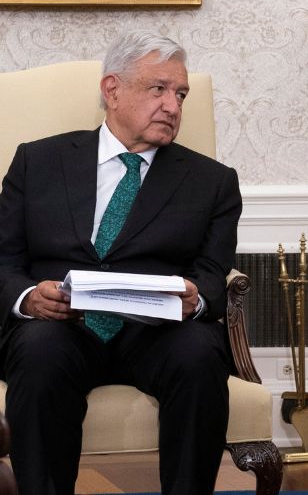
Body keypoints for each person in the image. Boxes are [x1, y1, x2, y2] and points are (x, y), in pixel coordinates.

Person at [0, 31, 242, 494]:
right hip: (60, 325)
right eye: (159, 89)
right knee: (39, 352)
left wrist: (194, 299)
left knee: (199, 354)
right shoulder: (38, 161)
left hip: (156, 333)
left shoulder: (212, 181)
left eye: (181, 94)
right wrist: (29, 299)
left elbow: (212, 275)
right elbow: (4, 258)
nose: (173, 106)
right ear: (112, 90)